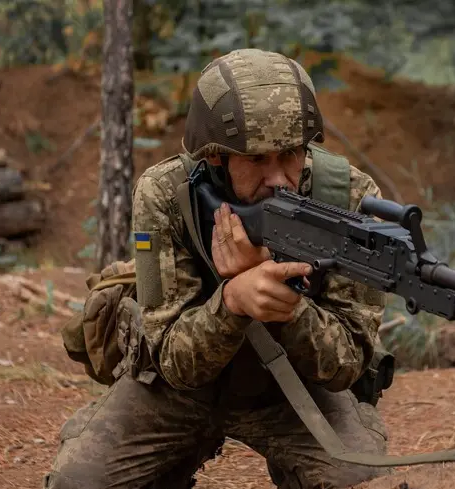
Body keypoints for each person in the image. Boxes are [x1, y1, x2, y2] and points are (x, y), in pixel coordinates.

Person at [43, 48, 392, 489]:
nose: (280, 178)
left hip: (294, 393)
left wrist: (284, 304)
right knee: (78, 484)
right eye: (256, 159)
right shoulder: (164, 196)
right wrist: (232, 301)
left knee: (359, 482)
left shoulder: (348, 199)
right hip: (177, 394)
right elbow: (172, 359)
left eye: (290, 154)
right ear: (215, 157)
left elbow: (348, 363)